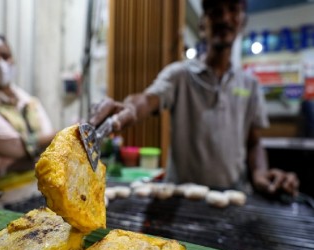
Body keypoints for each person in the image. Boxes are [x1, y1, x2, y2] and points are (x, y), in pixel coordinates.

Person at [89, 0, 299, 196]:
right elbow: (147, 99)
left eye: (233, 10)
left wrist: (260, 173)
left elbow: (254, 142)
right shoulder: (179, 75)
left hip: (233, 194)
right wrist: (130, 109)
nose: (225, 18)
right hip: (179, 196)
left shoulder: (250, 85)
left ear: (242, 22)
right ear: (202, 25)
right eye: (216, 11)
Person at [0, 32, 56, 179]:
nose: (0, 63)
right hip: (2, 194)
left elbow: (51, 146)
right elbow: (17, 147)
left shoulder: (29, 101)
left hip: (41, 186)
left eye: (5, 56)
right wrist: (72, 131)